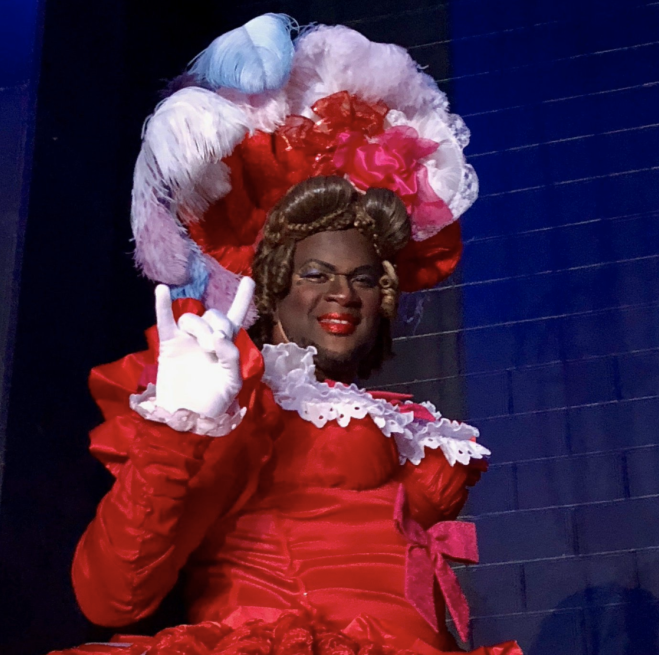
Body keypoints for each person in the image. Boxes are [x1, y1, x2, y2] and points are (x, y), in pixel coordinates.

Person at [65, 15, 521, 655]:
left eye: (364, 276)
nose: (343, 292)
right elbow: (113, 596)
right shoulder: (248, 401)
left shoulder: (397, 419)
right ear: (272, 286)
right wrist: (178, 429)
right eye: (316, 273)